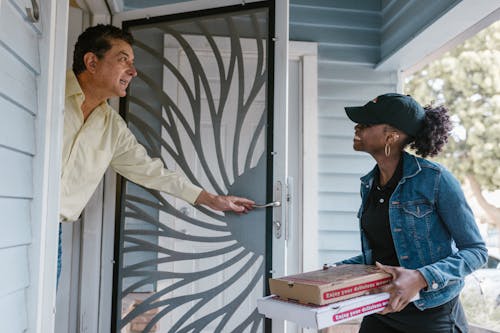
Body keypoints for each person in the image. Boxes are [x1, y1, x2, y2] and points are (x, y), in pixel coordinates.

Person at [58, 25, 254, 283]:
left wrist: (209, 199)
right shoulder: (50, 90)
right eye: (123, 59)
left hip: (53, 232)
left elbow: (154, 173)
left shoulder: (112, 128)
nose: (133, 70)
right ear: (92, 62)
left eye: (132, 62)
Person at [339, 93, 487, 332]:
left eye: (366, 124)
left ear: (391, 136)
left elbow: (476, 251)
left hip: (431, 314)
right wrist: (335, 271)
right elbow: (383, 253)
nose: (357, 127)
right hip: (381, 309)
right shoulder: (369, 184)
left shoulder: (436, 179)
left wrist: (420, 277)